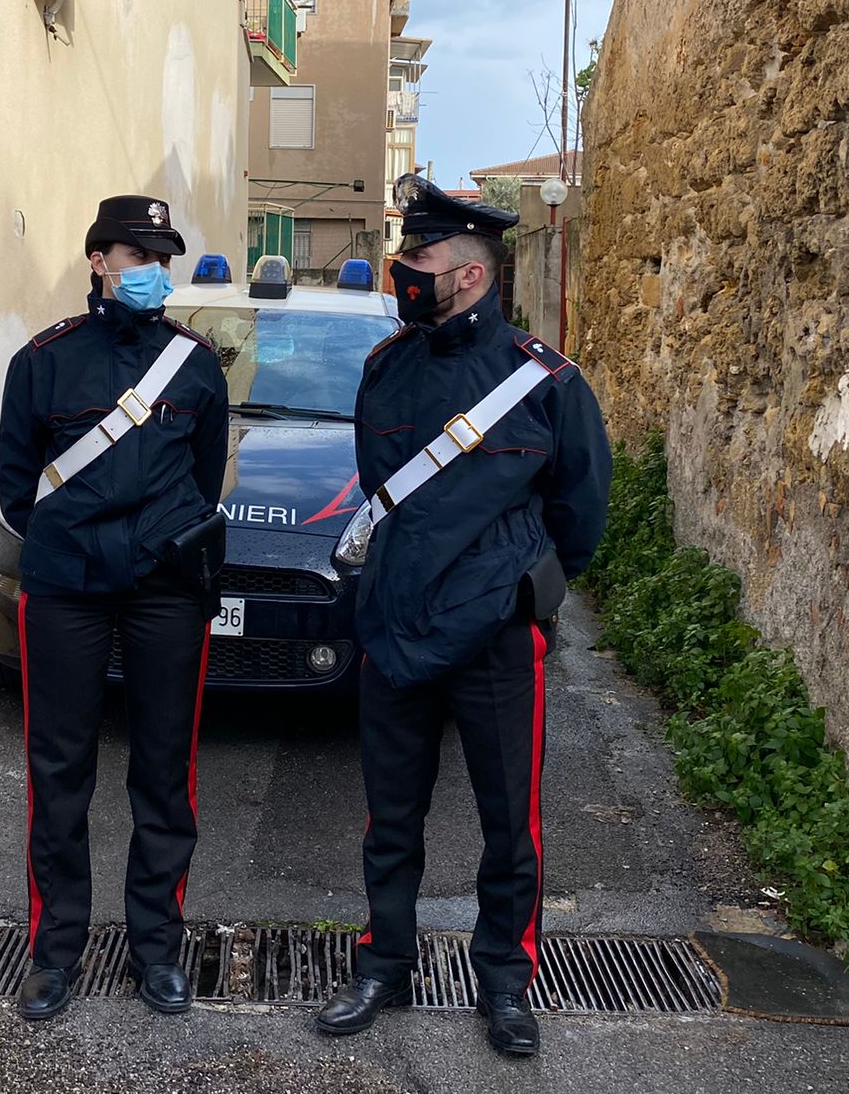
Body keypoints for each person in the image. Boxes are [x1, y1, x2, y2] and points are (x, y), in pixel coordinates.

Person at [314, 174, 612, 1059]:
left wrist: (516, 592)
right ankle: (383, 966)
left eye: (420, 257)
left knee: (507, 821)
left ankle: (506, 986)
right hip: (397, 630)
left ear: (470, 276)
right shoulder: (384, 369)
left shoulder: (546, 384)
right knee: (389, 815)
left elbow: (580, 517)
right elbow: (383, 491)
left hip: (493, 639)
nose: (404, 269)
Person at [0, 195, 228, 1022]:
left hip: (166, 591)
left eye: (162, 258)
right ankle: (54, 953)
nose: (152, 273)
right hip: (67, 591)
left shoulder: (196, 364)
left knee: (165, 772)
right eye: (137, 258)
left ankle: (157, 950)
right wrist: (83, 546)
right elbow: (17, 493)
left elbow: (204, 479)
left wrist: (151, 543)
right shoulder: (44, 362)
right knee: (60, 774)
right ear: (98, 262)